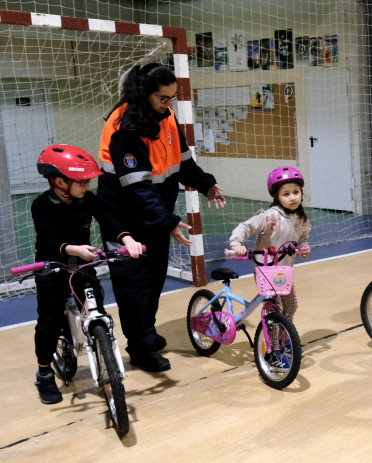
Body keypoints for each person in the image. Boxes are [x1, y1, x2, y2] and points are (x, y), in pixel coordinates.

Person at [97, 63, 226, 372]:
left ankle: (147, 334)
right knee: (134, 285)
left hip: (153, 217)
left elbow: (182, 162)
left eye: (172, 97)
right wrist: (168, 221)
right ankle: (139, 348)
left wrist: (207, 184)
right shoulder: (124, 128)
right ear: (144, 92)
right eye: (163, 98)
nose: (169, 104)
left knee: (154, 279)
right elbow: (138, 189)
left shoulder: (166, 116)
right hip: (124, 222)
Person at [31, 145, 143, 404]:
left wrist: (127, 238)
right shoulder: (42, 205)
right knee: (48, 320)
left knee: (97, 309)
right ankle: (44, 374)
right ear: (59, 182)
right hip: (52, 264)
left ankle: (102, 350)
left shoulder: (88, 200)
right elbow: (49, 238)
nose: (87, 186)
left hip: (82, 263)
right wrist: (73, 249)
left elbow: (108, 218)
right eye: (82, 182)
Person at [229, 166, 311, 367]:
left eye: (296, 192)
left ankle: (284, 340)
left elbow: (302, 241)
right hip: (266, 271)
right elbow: (245, 227)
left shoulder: (301, 219)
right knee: (275, 310)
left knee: (291, 306)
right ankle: (273, 352)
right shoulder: (270, 217)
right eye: (286, 194)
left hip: (284, 271)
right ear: (276, 196)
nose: (292, 197)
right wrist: (236, 244)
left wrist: (303, 250)